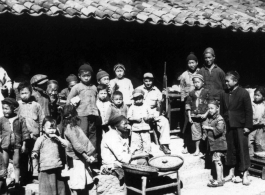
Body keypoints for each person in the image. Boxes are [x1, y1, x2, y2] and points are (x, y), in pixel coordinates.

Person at [219, 71, 252, 185]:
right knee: (230, 149)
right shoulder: (224, 93)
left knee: (242, 150)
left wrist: (248, 126)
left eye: (228, 81)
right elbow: (222, 110)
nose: (226, 83)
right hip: (229, 126)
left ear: (235, 81)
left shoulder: (243, 93)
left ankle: (245, 173)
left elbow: (248, 111)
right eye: (225, 81)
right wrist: (223, 123)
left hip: (241, 126)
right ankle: (231, 172)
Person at [67, 63, 100, 158]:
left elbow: (98, 100)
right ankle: (83, 157)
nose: (86, 78)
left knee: (92, 135)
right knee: (83, 134)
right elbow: (69, 101)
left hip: (93, 114)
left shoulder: (94, 87)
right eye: (84, 76)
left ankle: (93, 157)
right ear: (79, 76)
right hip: (81, 114)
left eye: (88, 75)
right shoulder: (77, 87)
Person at [62, 105, 95, 195]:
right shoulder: (70, 128)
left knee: (81, 182)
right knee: (76, 183)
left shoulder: (74, 127)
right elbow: (76, 145)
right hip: (76, 159)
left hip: (80, 158)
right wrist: (86, 156)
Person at [32, 116, 69, 195]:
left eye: (54, 128)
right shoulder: (40, 139)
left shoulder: (57, 139)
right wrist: (35, 154)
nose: (52, 131)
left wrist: (57, 137)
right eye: (49, 128)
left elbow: (67, 144)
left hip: (57, 167)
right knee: (47, 190)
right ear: (43, 128)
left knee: (59, 189)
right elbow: (35, 150)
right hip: (45, 168)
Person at [136, 73, 171, 154]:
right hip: (142, 112)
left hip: (153, 112)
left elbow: (160, 103)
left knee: (164, 121)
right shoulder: (138, 89)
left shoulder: (156, 90)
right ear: (143, 81)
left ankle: (164, 145)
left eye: (150, 81)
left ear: (153, 81)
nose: (148, 83)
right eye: (146, 81)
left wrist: (164, 97)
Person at [17, 81, 44, 183]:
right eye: (22, 93)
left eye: (26, 93)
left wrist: (41, 132)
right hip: (23, 136)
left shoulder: (36, 105)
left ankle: (35, 176)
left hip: (35, 136)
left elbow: (42, 119)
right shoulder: (18, 105)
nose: (24, 95)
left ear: (31, 92)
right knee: (23, 157)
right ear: (19, 94)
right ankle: (24, 177)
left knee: (35, 155)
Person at [0, 98, 29, 190]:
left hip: (17, 144)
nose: (4, 111)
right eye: (3, 108)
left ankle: (17, 183)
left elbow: (25, 132)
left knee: (16, 164)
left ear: (13, 109)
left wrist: (24, 145)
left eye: (7, 108)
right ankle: (3, 182)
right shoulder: (2, 120)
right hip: (5, 145)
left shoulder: (20, 119)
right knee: (4, 164)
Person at [202, 100, 227, 187]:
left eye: (212, 108)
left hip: (219, 143)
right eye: (208, 108)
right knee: (217, 161)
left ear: (217, 108)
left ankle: (219, 180)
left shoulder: (219, 118)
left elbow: (220, 130)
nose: (210, 110)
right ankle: (221, 178)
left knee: (217, 161)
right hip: (214, 143)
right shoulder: (211, 117)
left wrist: (209, 127)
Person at [185, 74, 209, 156]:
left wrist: (206, 114)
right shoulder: (191, 93)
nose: (196, 84)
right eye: (194, 82)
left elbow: (211, 104)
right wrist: (189, 116)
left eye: (198, 82)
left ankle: (206, 150)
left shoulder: (206, 92)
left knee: (206, 132)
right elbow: (188, 104)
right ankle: (197, 149)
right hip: (194, 116)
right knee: (196, 133)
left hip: (204, 116)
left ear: (202, 82)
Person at [128, 89, 152, 154]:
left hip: (145, 127)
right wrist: (135, 119)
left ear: (143, 98)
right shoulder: (132, 107)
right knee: (135, 141)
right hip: (136, 128)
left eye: (140, 98)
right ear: (134, 100)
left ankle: (147, 152)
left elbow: (151, 115)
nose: (138, 100)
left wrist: (148, 118)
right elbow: (129, 117)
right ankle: (136, 152)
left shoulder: (146, 106)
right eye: (136, 99)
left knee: (146, 140)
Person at [249, 86, 265, 156]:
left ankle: (260, 161)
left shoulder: (264, 105)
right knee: (249, 142)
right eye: (255, 95)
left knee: (259, 143)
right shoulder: (251, 104)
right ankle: (251, 158)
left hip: (261, 128)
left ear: (263, 97)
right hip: (252, 127)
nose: (256, 97)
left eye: (258, 95)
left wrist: (262, 121)